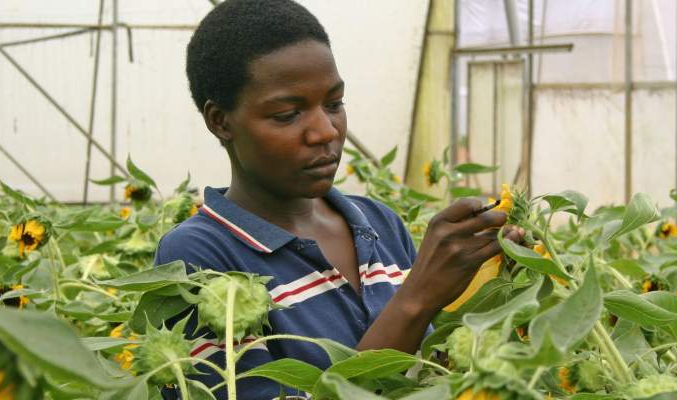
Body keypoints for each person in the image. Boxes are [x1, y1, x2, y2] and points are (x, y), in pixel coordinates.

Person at [155, 0, 520, 398]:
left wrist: (495, 291)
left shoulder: (378, 224)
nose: (325, 131)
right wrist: (418, 298)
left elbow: (427, 373)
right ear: (221, 121)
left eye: (333, 104)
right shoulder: (196, 257)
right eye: (288, 114)